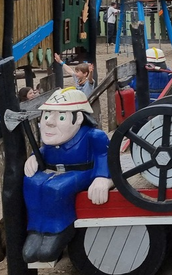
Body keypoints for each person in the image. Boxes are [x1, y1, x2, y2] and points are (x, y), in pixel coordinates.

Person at [22, 88, 112, 263]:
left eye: (61, 117)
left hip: (81, 171)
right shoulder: (54, 138)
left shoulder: (93, 136)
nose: (49, 123)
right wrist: (34, 157)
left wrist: (103, 178)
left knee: (55, 189)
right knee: (32, 183)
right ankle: (36, 230)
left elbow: (104, 156)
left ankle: (58, 229)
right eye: (47, 116)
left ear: (78, 118)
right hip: (56, 171)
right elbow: (45, 150)